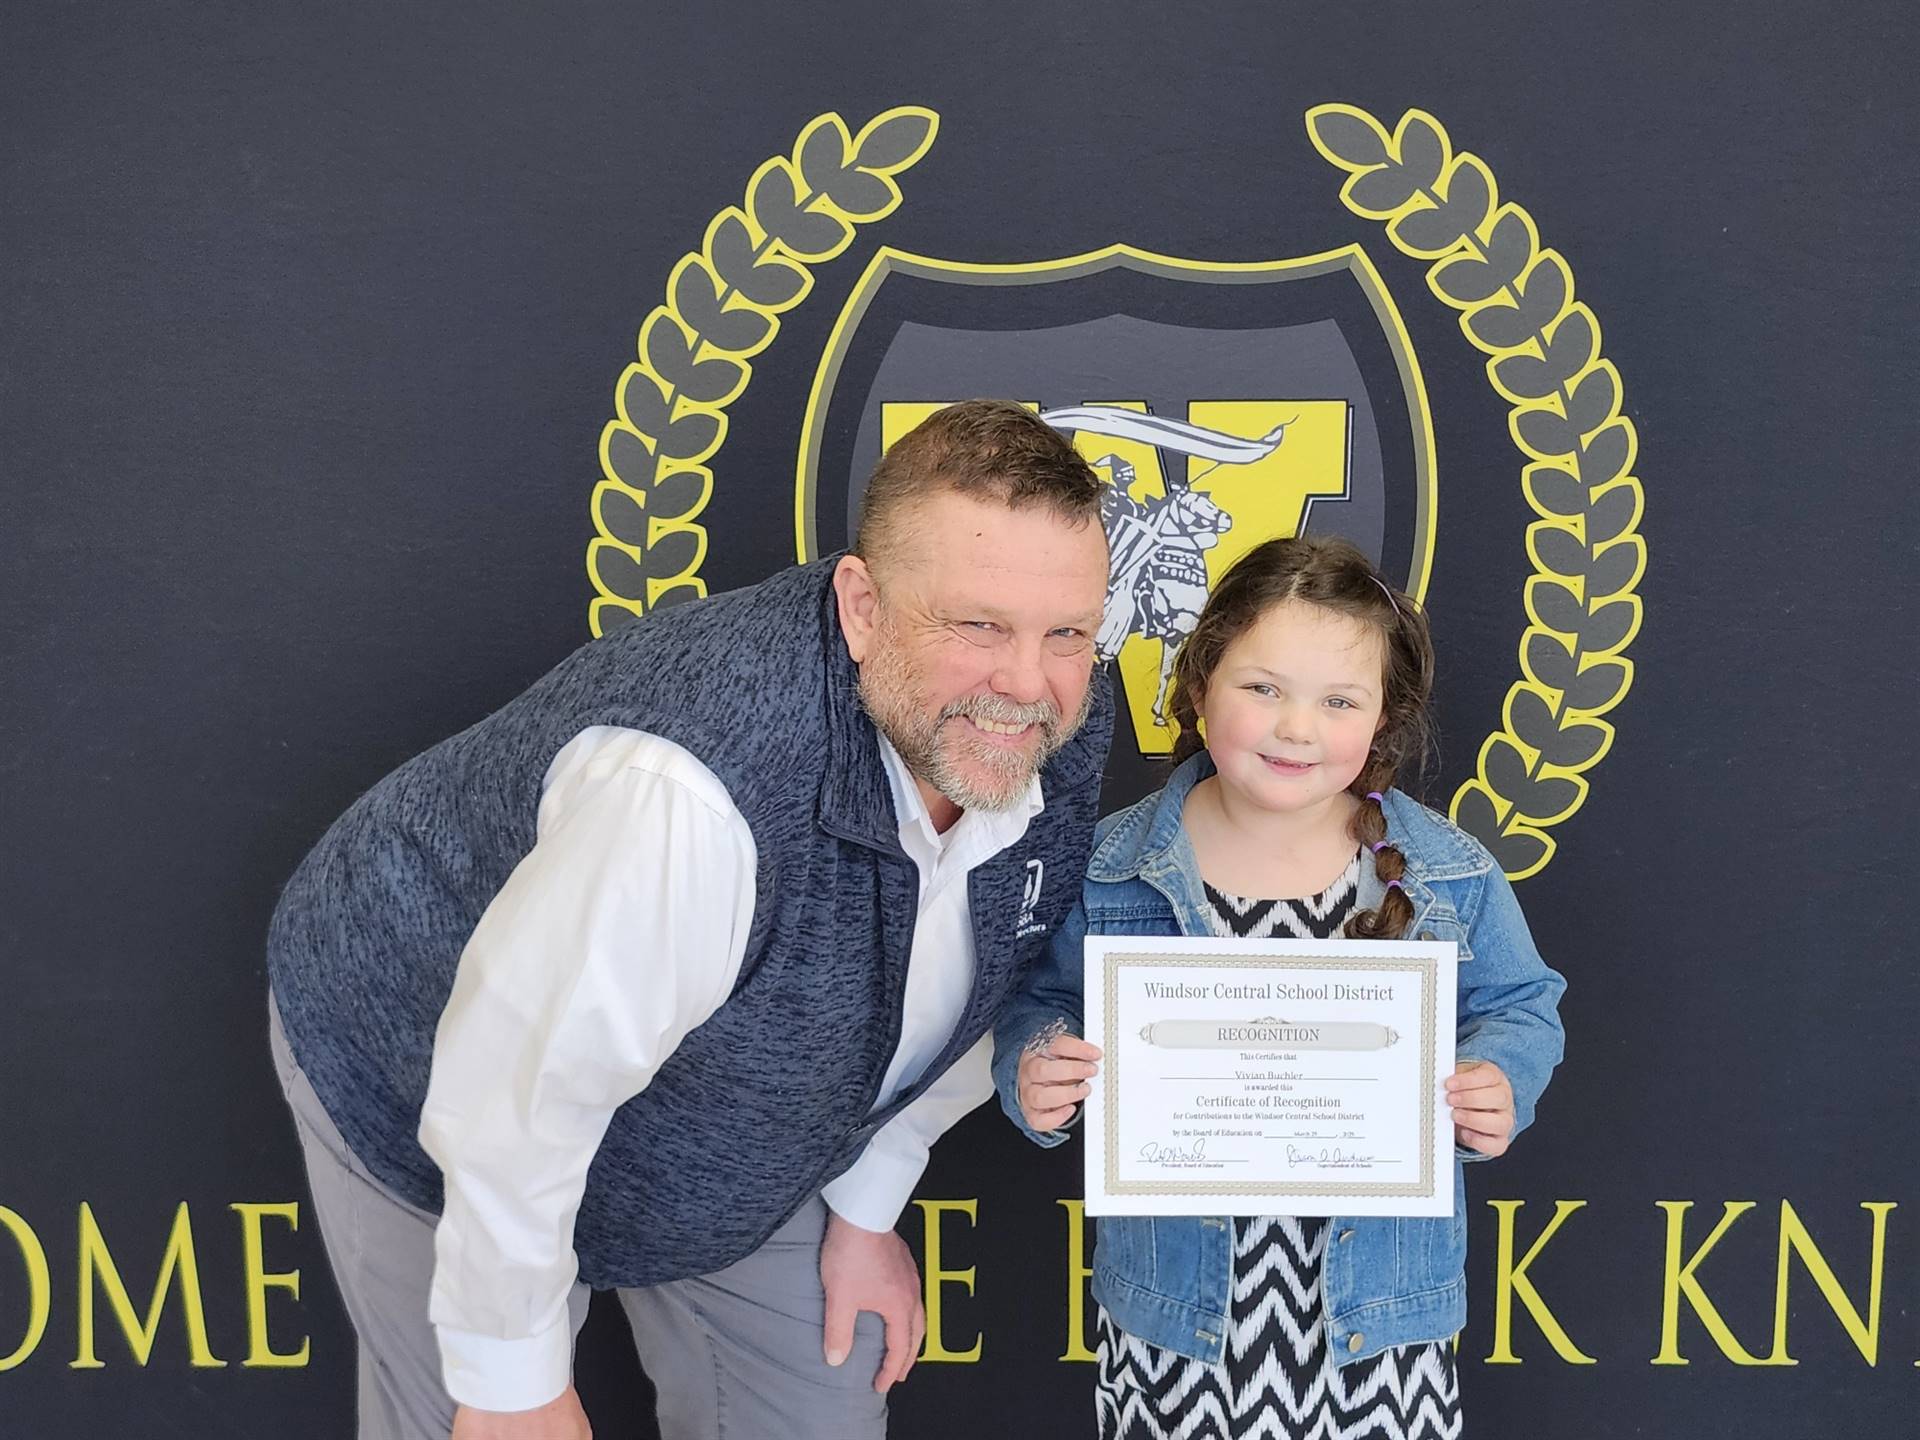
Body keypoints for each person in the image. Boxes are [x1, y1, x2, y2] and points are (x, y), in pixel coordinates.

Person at [264, 400, 1115, 1440]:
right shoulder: (689, 796)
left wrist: (864, 1203)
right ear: (862, 607)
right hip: (442, 1058)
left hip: (739, 1091)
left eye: (1066, 631)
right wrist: (511, 1381)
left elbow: (985, 965)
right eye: (977, 626)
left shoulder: (1056, 719)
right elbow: (515, 1093)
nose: (1027, 683)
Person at [994, 535, 1566, 1439]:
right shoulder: (1112, 869)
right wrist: (1036, 1070)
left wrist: (1499, 1076)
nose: (1297, 727)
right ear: (1197, 686)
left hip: (1377, 1340)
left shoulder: (1447, 875)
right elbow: (1041, 1004)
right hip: (1173, 1340)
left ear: (1383, 720)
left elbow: (1520, 1005)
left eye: (1339, 701)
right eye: (1263, 688)